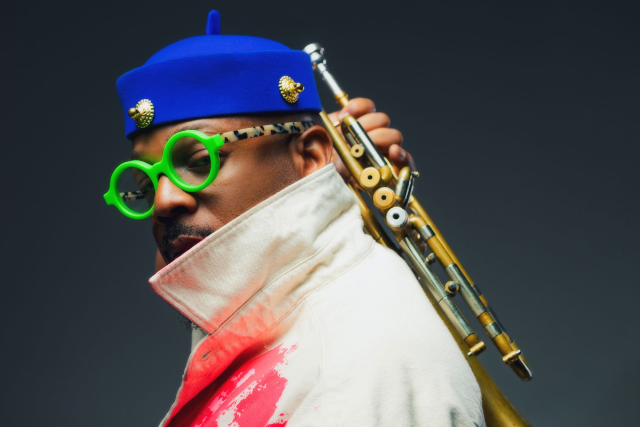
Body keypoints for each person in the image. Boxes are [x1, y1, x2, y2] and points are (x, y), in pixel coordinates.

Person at [104, 10, 484, 427]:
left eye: (199, 161)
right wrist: (311, 184)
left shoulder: (360, 367)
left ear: (312, 155)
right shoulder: (258, 318)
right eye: (145, 183)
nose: (162, 201)